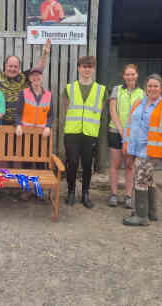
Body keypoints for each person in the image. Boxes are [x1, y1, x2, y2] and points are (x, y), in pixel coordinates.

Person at [122, 74, 162, 226]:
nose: (152, 89)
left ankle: (141, 216)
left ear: (161, 88)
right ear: (145, 88)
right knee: (148, 179)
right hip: (139, 149)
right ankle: (150, 212)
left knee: (140, 178)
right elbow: (130, 125)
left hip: (155, 151)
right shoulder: (139, 104)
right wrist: (126, 142)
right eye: (150, 86)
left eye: (156, 86)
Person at [63, 56, 107, 209]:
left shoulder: (101, 90)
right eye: (84, 66)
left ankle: (86, 194)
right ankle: (70, 192)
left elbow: (100, 110)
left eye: (90, 66)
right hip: (72, 132)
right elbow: (67, 109)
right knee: (72, 163)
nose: (87, 69)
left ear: (93, 69)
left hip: (90, 133)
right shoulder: (69, 88)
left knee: (88, 164)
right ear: (78, 68)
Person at [108, 64, 145, 208]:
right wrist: (121, 130)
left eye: (132, 74)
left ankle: (128, 195)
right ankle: (114, 194)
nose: (130, 77)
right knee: (115, 165)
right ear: (123, 76)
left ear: (137, 75)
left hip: (133, 136)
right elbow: (112, 110)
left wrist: (132, 133)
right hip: (116, 132)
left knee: (129, 166)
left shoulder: (142, 93)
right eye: (127, 74)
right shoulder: (117, 90)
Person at [0, 39, 51, 125]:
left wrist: (45, 53)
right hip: (1, 122)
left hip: (21, 123)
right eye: (10, 66)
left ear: (19, 68)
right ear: (5, 66)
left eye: (15, 67)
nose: (12, 69)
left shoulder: (24, 77)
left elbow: (39, 69)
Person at [15, 66, 52, 138]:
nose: (36, 77)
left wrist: (48, 126)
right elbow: (18, 113)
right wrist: (18, 125)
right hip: (25, 133)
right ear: (30, 78)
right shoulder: (23, 93)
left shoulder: (49, 95)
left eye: (38, 75)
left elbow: (50, 115)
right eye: (33, 75)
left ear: (42, 77)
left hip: (41, 134)